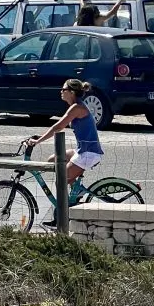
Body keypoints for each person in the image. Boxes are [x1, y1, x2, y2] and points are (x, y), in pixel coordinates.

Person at [25, 78, 104, 208]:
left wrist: (38, 141)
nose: (61, 91)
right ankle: (74, 189)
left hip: (89, 153)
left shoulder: (77, 108)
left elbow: (59, 126)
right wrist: (42, 136)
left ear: (72, 92)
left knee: (60, 182)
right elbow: (57, 127)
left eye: (64, 89)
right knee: (51, 160)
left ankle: (63, 216)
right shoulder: (75, 106)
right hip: (82, 150)